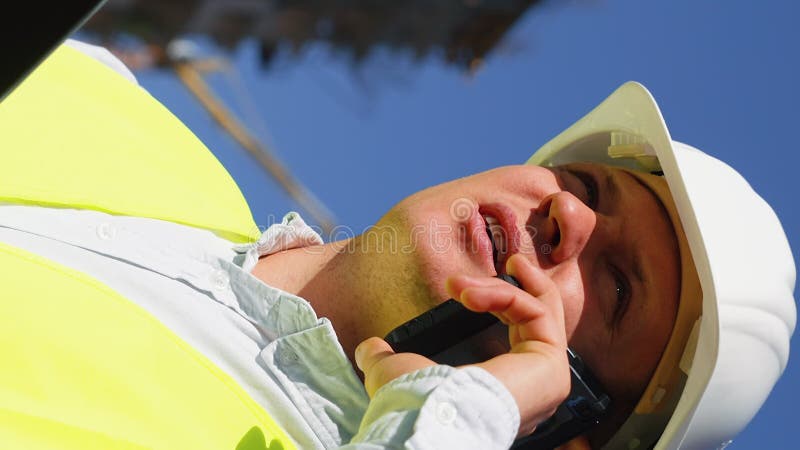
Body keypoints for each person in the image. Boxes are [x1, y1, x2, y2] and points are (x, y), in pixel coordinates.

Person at [0, 40, 794, 450]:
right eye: (586, 189)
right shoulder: (116, 104)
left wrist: (458, 416)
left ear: (563, 422)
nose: (570, 220)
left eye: (619, 284)